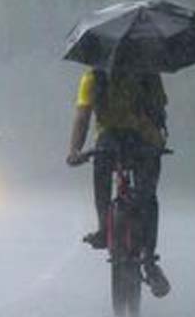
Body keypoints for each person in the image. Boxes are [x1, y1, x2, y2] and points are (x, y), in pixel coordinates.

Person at [66, 66, 171, 298]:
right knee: (147, 195)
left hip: (121, 140)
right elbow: (159, 109)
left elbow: (83, 115)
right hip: (141, 140)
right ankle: (148, 260)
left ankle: (107, 229)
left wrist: (75, 151)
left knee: (109, 173)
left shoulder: (94, 76)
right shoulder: (148, 71)